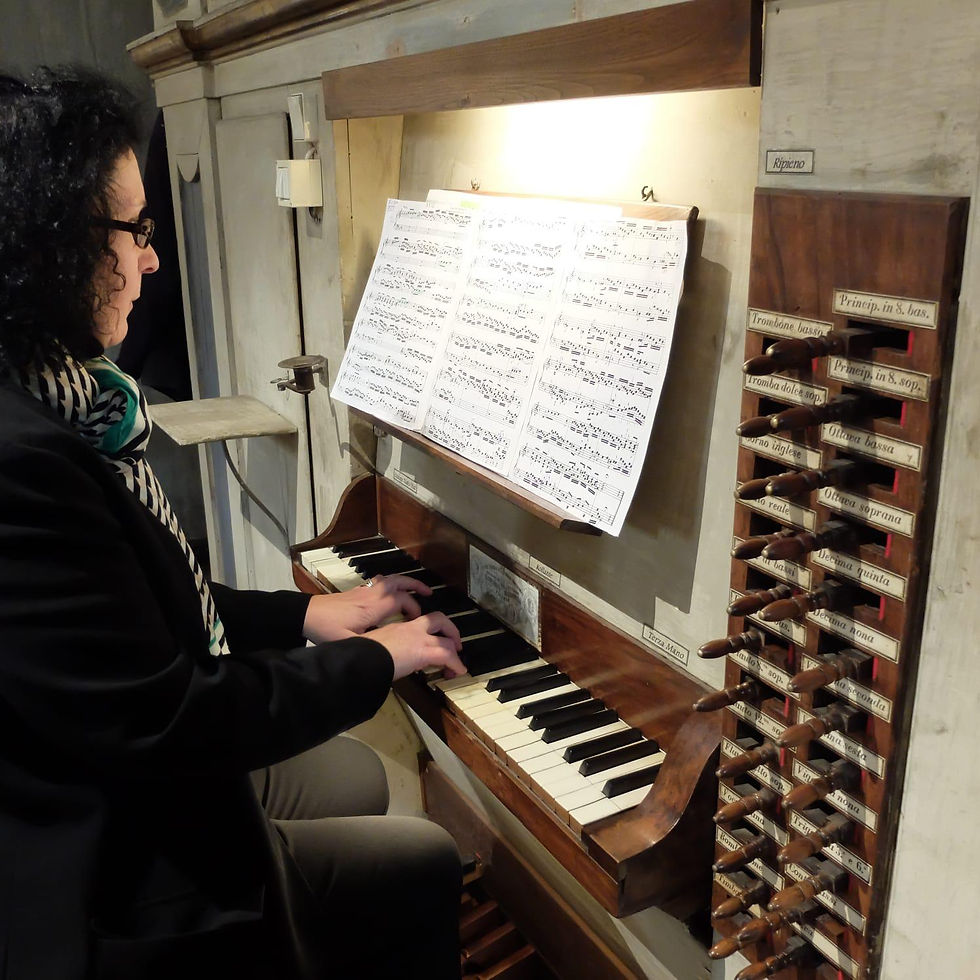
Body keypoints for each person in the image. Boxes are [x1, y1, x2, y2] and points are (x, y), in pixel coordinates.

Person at [0, 66, 466, 980]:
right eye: (133, 230)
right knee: (425, 858)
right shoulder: (21, 463)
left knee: (364, 776)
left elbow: (136, 606)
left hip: (119, 759)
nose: (152, 259)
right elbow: (170, 719)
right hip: (108, 860)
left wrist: (311, 618)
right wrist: (378, 658)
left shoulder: (64, 394)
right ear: (48, 244)